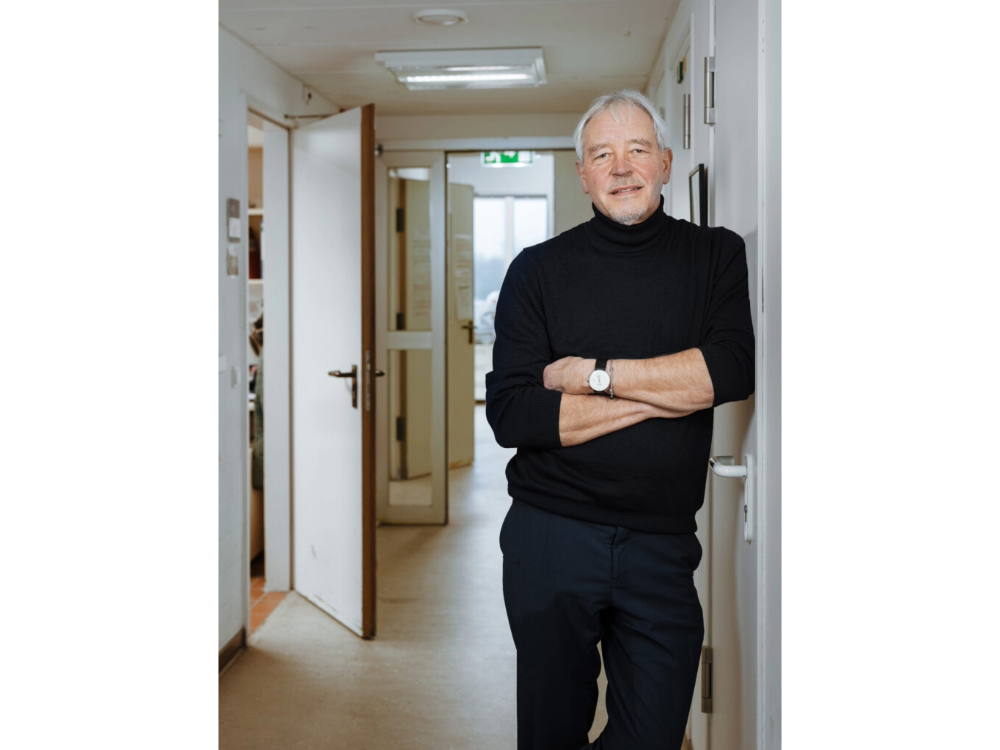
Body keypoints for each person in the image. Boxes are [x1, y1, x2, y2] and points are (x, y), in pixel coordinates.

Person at [485, 90, 754, 750]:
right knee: (550, 732)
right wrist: (669, 390)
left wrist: (594, 376)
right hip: (549, 538)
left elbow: (727, 374)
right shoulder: (537, 271)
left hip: (661, 546)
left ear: (664, 161)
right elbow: (514, 412)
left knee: (654, 731)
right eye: (601, 154)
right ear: (582, 173)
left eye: (637, 149)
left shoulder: (715, 255)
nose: (621, 167)